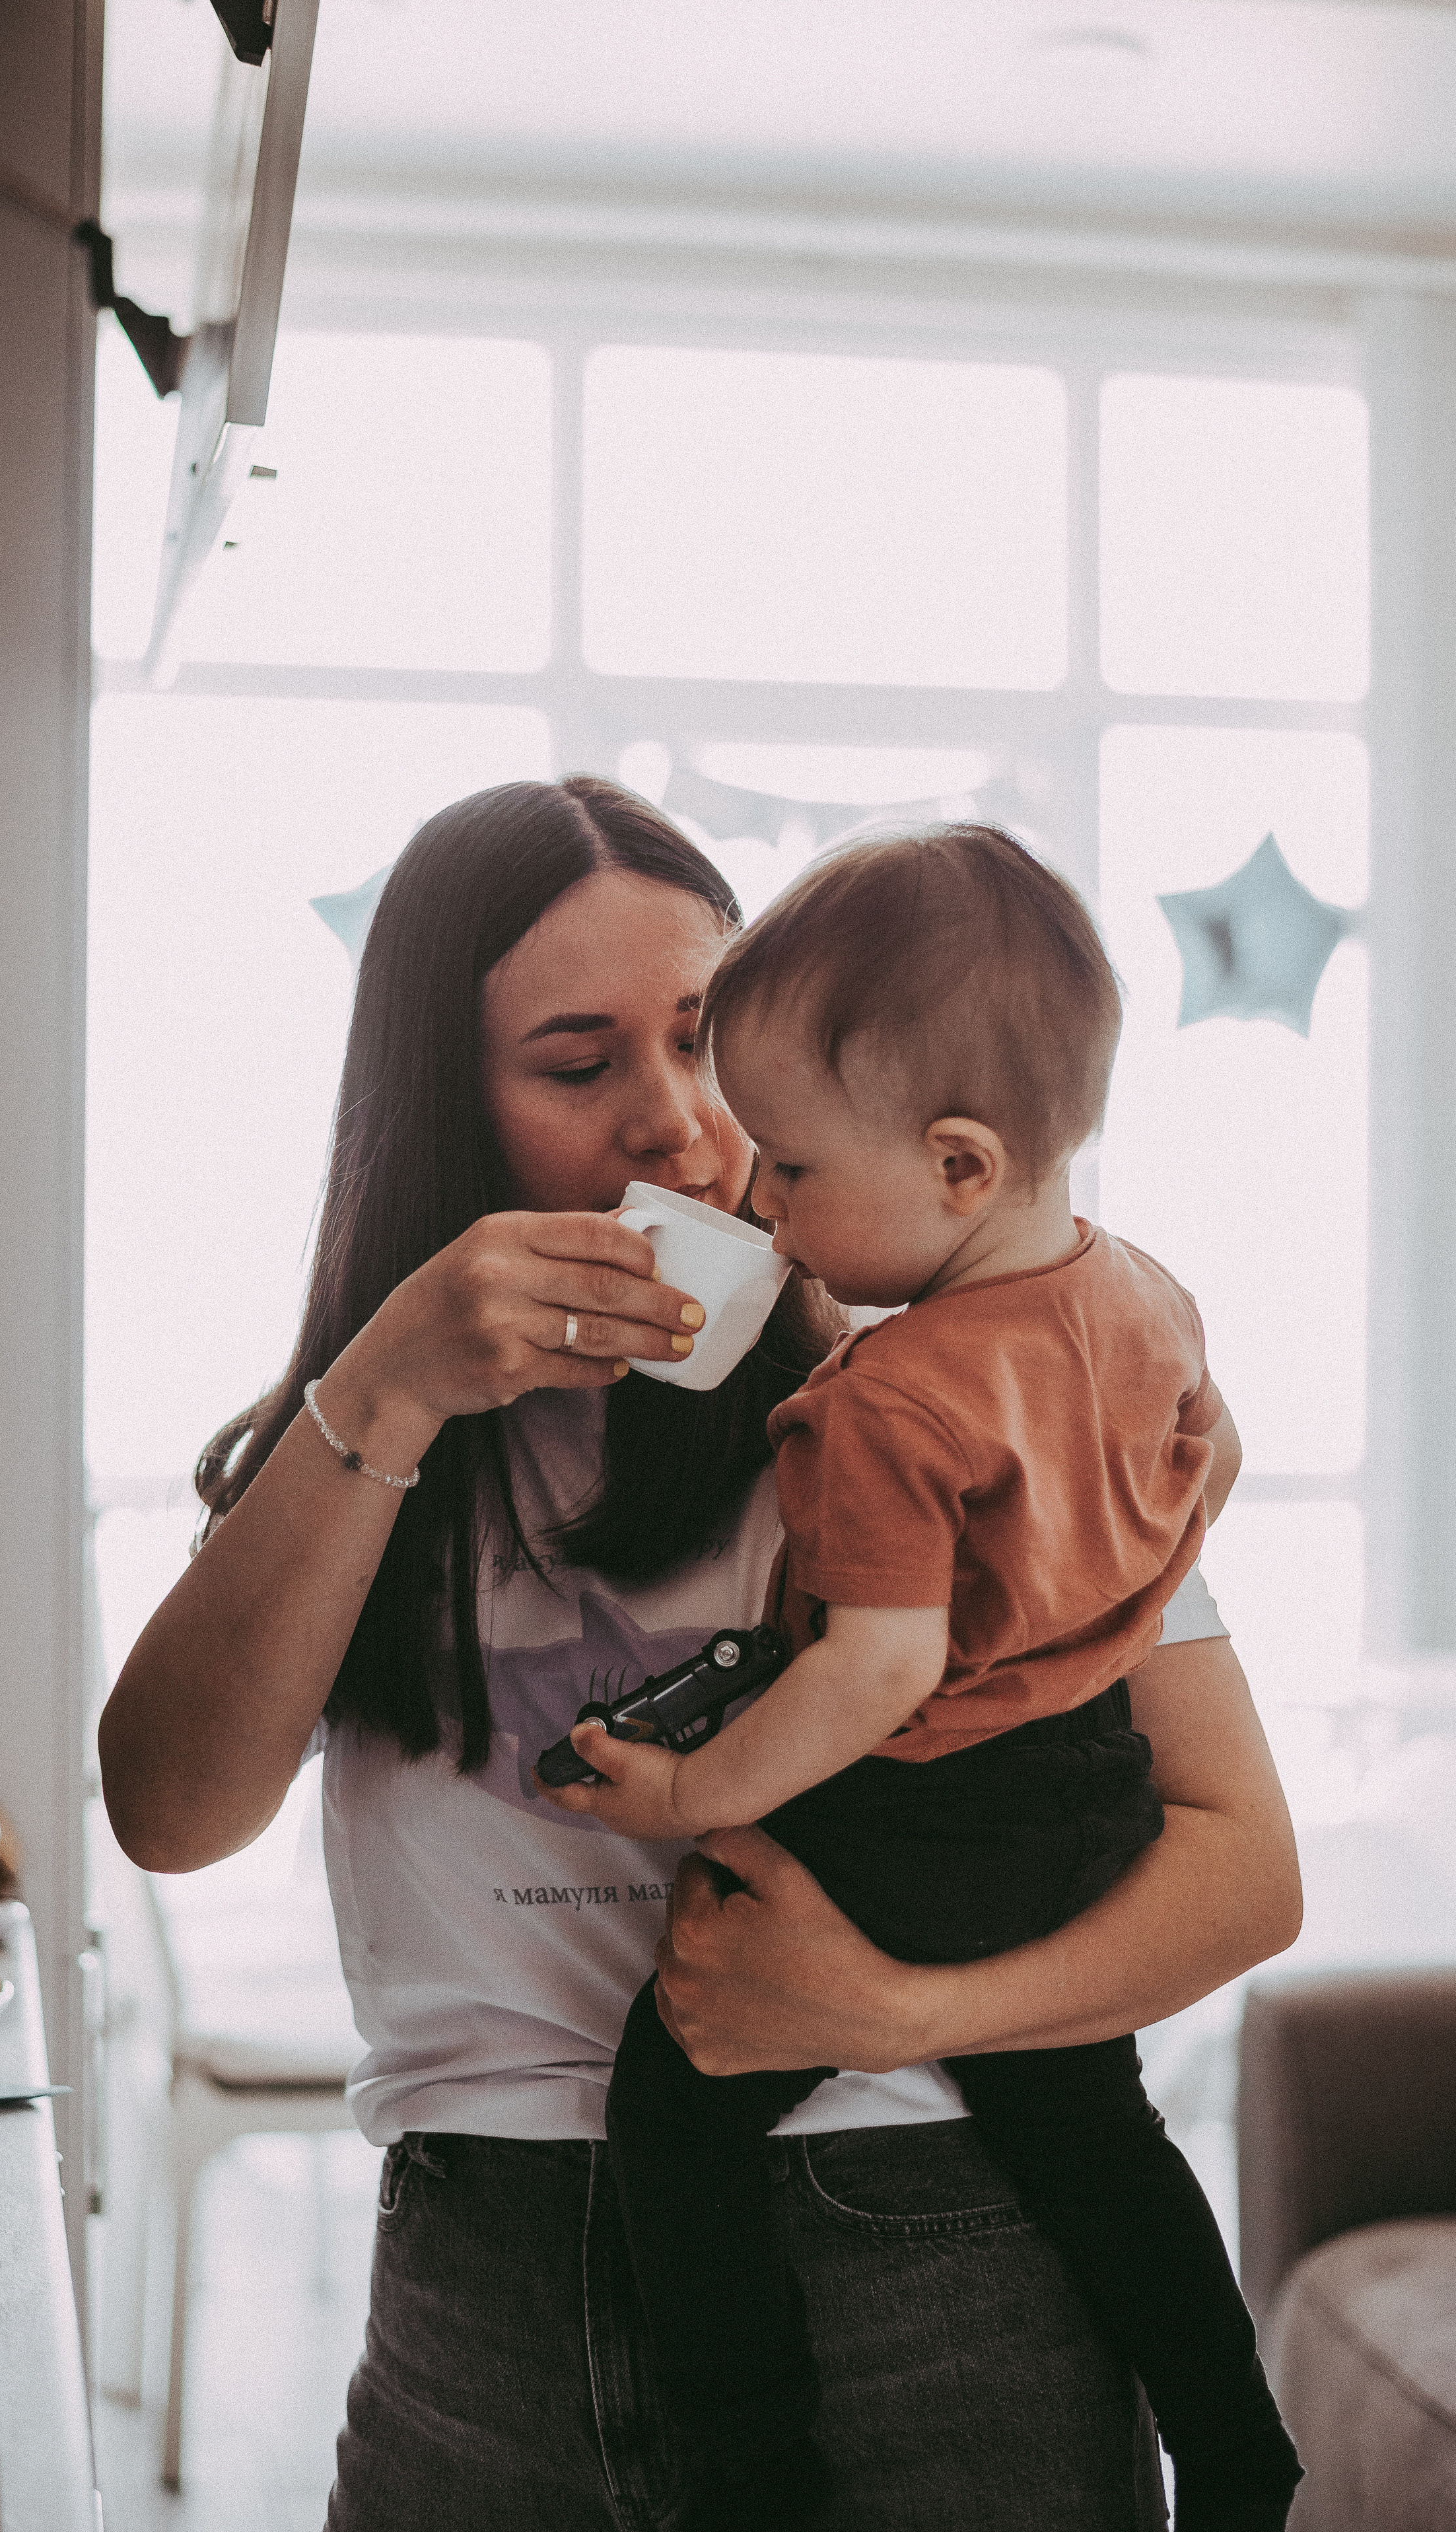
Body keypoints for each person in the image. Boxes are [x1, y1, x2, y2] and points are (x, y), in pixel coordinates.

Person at [97, 777, 1303, 2532]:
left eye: (705, 1044)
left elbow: (1246, 1872)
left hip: (931, 2248)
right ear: (449, 1109)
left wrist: (902, 2008)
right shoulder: (364, 1451)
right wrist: (384, 1387)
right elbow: (168, 1810)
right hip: (483, 2291)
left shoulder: (972, 1396)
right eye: (579, 1066)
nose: (677, 1125)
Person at [540, 828, 1300, 2532]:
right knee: (1095, 2130)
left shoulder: (887, 1401)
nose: (760, 1198)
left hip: (932, 1811)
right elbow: (1205, 1468)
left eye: (795, 1170)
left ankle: (750, 2473)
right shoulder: (1140, 1288)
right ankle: (1238, 2443)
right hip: (1090, 1788)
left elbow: (872, 1676)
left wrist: (687, 1793)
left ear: (960, 1162)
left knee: (680, 2105)